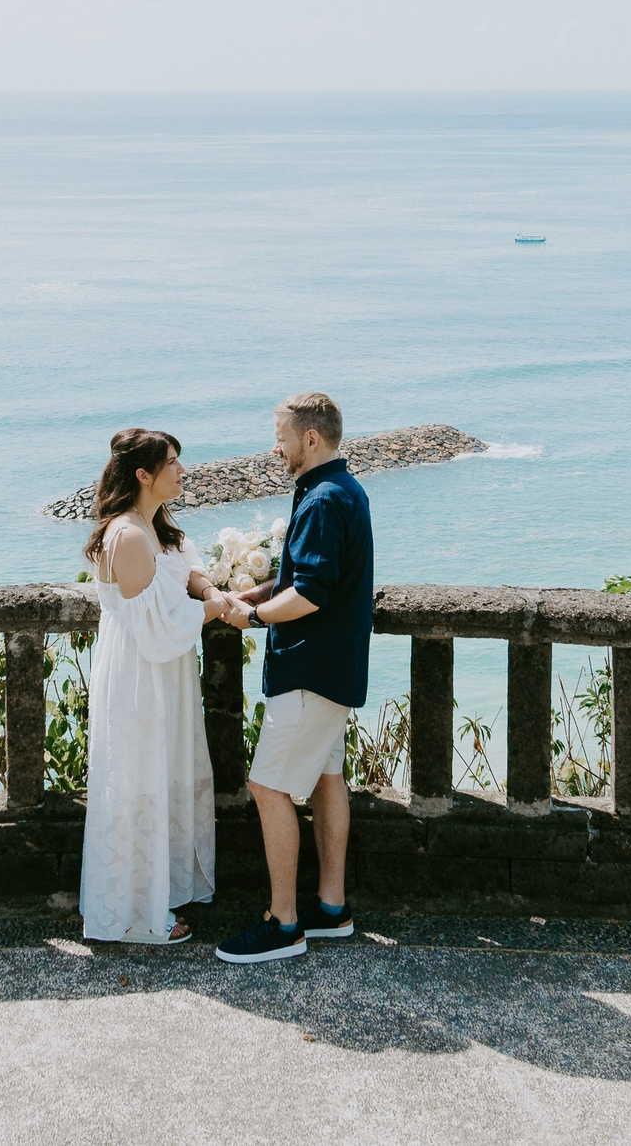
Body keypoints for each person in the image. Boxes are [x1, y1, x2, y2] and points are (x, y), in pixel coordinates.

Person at [215, 392, 371, 964]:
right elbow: (296, 576)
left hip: (309, 667)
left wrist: (253, 616)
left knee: (268, 786)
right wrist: (253, 593)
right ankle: (330, 908)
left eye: (280, 435)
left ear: (311, 437)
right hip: (335, 667)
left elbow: (309, 593)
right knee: (329, 777)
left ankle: (285, 924)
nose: (274, 446)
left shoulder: (324, 499)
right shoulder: (340, 489)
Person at [79, 428, 242, 944]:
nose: (182, 470)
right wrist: (216, 609)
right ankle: (136, 914)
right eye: (171, 463)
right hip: (139, 673)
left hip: (161, 670)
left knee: (160, 776)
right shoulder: (126, 535)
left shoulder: (155, 524)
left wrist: (210, 588)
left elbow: (184, 569)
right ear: (143, 475)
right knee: (135, 781)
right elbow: (155, 625)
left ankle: (158, 893)